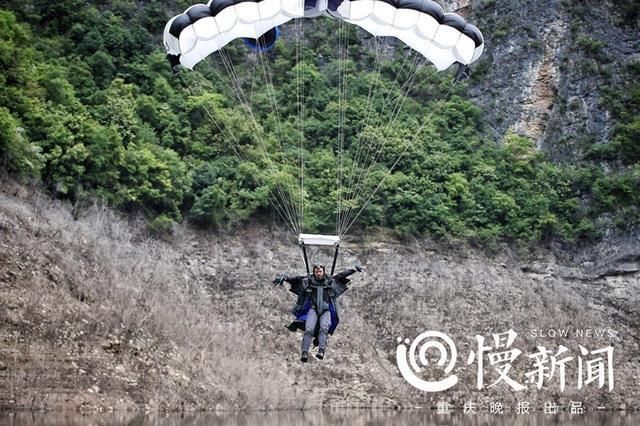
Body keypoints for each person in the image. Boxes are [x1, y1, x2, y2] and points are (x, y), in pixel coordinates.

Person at [274, 264, 362, 362]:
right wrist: (285, 278)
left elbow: (342, 275)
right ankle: (304, 352)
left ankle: (321, 350)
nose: (318, 274)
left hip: (326, 310)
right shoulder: (308, 281)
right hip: (313, 309)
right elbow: (296, 279)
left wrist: (353, 269)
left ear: (323, 272)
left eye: (320, 271)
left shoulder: (330, 281)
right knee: (309, 329)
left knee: (324, 328)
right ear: (314, 272)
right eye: (316, 272)